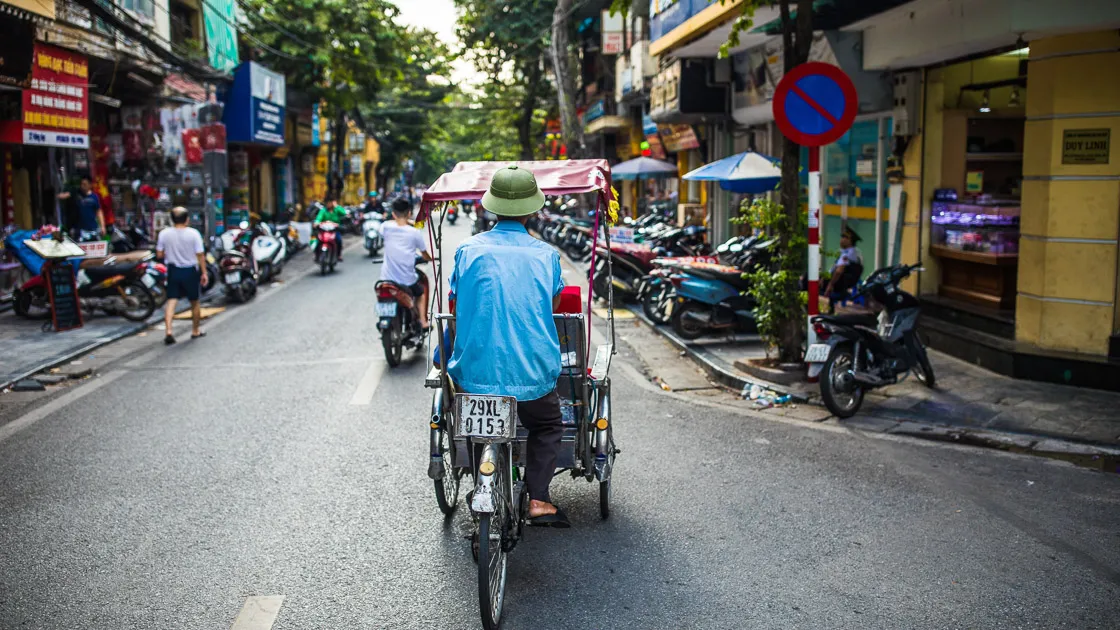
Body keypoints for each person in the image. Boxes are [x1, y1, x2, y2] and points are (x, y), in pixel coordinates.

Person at [448, 165, 570, 528]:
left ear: (491, 207)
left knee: (475, 424)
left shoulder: (468, 250)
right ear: (533, 210)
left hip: (473, 372)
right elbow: (555, 304)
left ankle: (479, 480)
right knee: (547, 425)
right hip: (532, 373)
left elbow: (456, 299)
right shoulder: (545, 255)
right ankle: (538, 499)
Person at [156, 206, 208, 344]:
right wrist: (204, 272)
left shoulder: (164, 234)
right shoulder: (194, 234)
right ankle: (195, 330)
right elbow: (200, 254)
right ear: (187, 219)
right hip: (190, 271)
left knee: (171, 301)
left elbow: (159, 254)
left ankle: (168, 331)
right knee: (194, 302)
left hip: (173, 270)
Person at [379, 197, 432, 328]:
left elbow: (391, 224)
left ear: (393, 213)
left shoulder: (385, 227)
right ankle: (423, 322)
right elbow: (424, 254)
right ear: (409, 213)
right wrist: (429, 258)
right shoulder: (414, 232)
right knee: (420, 293)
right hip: (407, 280)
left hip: (387, 280)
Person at [825, 225, 865, 312]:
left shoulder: (849, 254)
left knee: (808, 279)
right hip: (840, 280)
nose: (841, 240)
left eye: (844, 237)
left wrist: (830, 285)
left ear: (850, 241)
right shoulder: (849, 252)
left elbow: (839, 271)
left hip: (840, 282)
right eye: (842, 237)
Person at [58, 176, 105, 242]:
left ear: (90, 185)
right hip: (80, 231)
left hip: (93, 229)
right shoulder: (76, 194)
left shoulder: (94, 197)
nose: (82, 186)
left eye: (85, 184)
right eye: (81, 184)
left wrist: (102, 226)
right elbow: (66, 195)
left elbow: (99, 212)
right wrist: (58, 196)